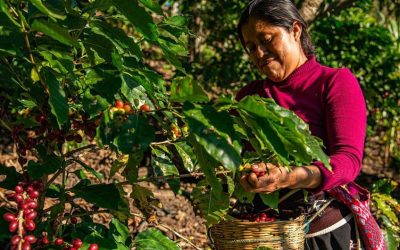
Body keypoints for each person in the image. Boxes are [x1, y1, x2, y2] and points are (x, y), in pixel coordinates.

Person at [235, 0, 385, 249]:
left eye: (266, 39)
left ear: (295, 30)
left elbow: (348, 161)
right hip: (264, 235)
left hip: (322, 235)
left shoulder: (334, 82)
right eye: (251, 47)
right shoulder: (247, 98)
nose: (259, 53)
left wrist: (290, 177)